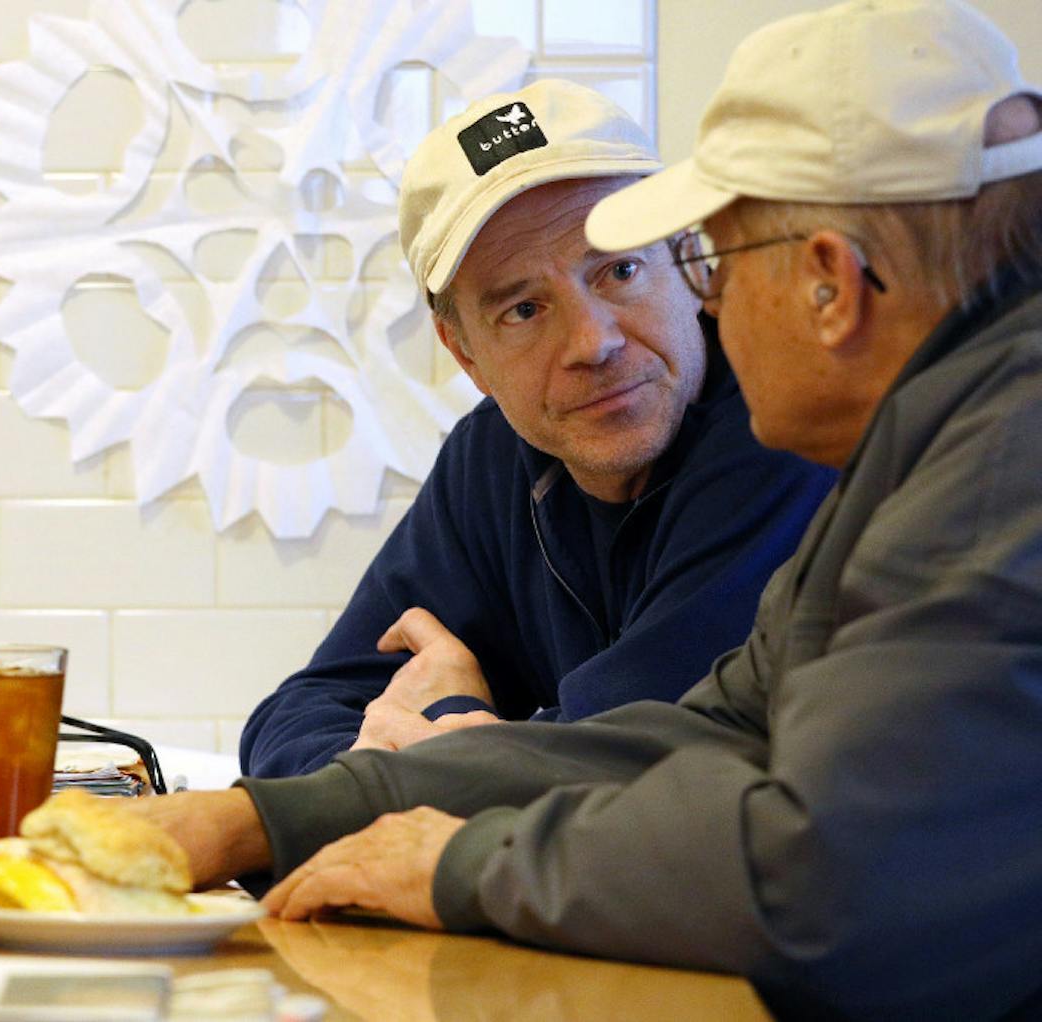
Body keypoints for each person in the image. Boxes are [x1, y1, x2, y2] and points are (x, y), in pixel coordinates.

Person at [132, 1, 1042, 1017]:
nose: (703, 308)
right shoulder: (928, 442)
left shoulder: (997, 465)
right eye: (523, 307)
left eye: (706, 263)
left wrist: (460, 861)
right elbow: (707, 734)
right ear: (462, 349)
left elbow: (831, 886)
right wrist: (262, 815)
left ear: (828, 281)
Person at [240, 79, 834, 777]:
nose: (592, 342)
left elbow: (623, 756)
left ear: (691, 262)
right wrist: (409, 763)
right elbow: (299, 714)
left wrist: (436, 741)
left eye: (620, 270)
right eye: (523, 310)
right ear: (465, 354)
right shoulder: (493, 457)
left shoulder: (784, 428)